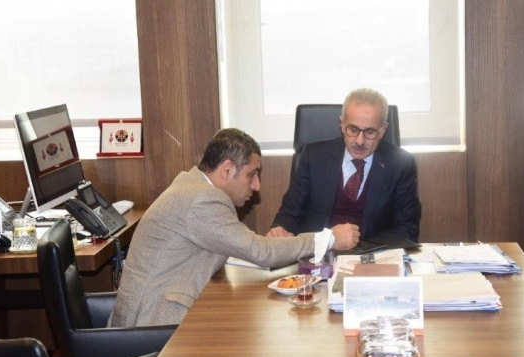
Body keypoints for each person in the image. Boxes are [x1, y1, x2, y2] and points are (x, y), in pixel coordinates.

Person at [109, 128, 359, 327]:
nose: (257, 185)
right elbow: (260, 252)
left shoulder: (192, 185)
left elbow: (242, 248)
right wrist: (328, 239)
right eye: (252, 174)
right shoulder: (203, 199)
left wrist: (273, 246)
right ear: (227, 169)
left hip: (151, 316)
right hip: (153, 326)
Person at [267, 88, 421, 242]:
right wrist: (281, 229)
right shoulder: (314, 156)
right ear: (341, 124)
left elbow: (407, 229)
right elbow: (291, 213)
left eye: (370, 132)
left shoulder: (401, 164)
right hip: (317, 253)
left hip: (372, 253)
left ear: (383, 130)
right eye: (353, 129)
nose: (359, 141)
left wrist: (361, 249)